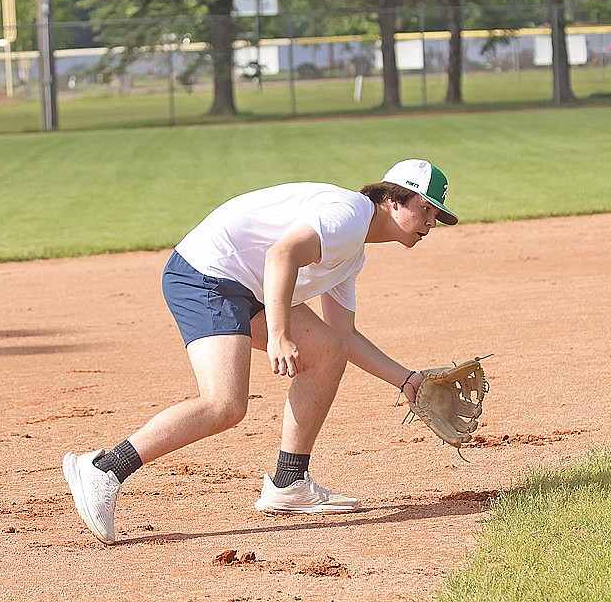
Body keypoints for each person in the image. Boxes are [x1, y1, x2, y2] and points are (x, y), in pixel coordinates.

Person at [62, 159, 459, 544]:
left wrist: (407, 381)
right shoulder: (350, 215)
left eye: (436, 217)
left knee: (328, 350)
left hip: (244, 284)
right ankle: (103, 469)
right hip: (207, 274)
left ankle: (290, 484)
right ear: (394, 199)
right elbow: (281, 254)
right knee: (225, 404)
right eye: (426, 209)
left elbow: (345, 335)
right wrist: (279, 334)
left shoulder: (352, 253)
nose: (430, 223)